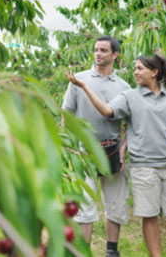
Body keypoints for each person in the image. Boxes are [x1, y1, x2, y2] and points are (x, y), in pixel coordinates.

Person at [66, 53, 166, 257]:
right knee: (150, 217)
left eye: (140, 68)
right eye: (134, 68)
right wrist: (84, 87)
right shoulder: (129, 97)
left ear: (154, 72)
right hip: (144, 167)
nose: (135, 72)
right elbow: (107, 111)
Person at [62, 35, 130, 257]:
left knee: (116, 204)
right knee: (84, 206)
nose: (98, 54)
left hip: (113, 151)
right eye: (95, 50)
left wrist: (123, 149)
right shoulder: (78, 80)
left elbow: (131, 123)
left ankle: (112, 251)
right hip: (84, 151)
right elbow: (67, 114)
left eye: (103, 50)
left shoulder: (124, 86)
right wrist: (68, 145)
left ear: (115, 55)